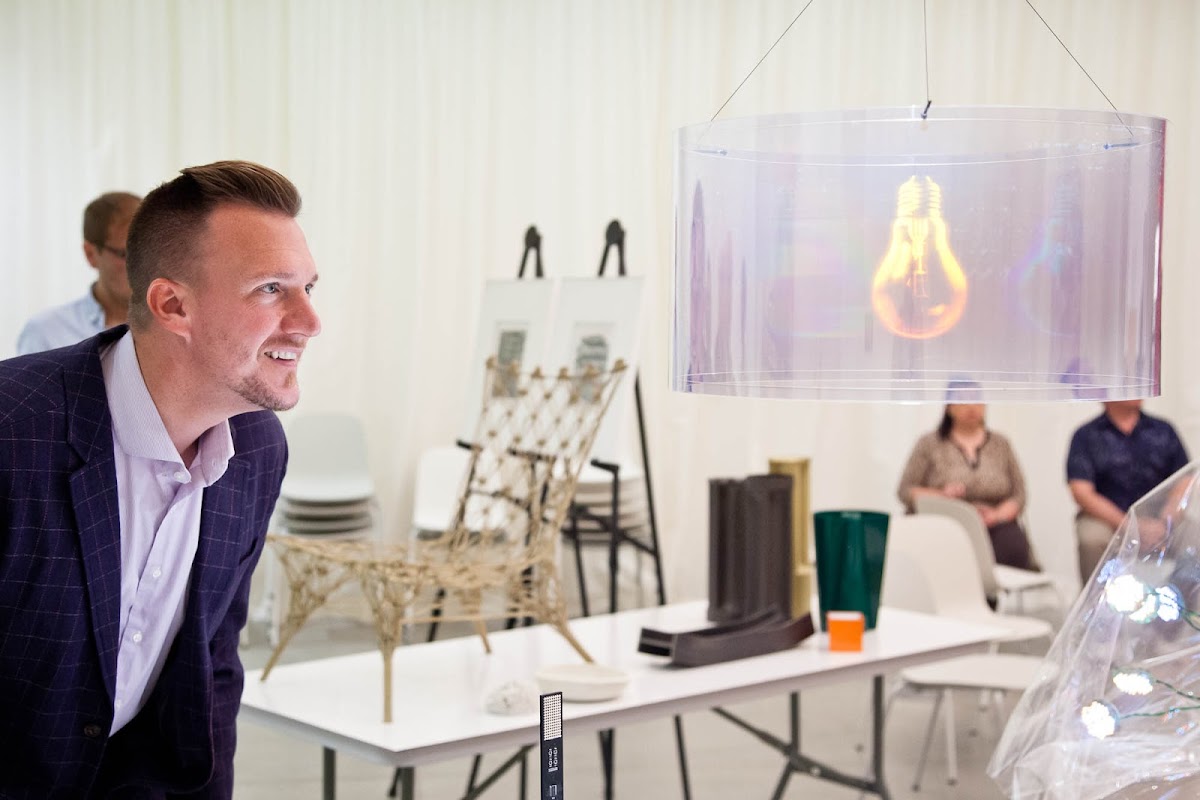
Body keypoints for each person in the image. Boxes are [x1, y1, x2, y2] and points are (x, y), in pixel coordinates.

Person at [0, 160, 321, 797]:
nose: (309, 320)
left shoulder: (257, 446)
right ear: (172, 305)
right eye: (270, 289)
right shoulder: (13, 429)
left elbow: (212, 667)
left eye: (310, 287)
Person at [897, 400, 1036, 570]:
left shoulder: (1001, 443)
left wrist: (997, 515)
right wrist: (942, 495)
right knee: (949, 554)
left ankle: (991, 594)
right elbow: (905, 490)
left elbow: (1019, 494)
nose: (971, 407)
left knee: (1013, 547)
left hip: (994, 525)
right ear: (949, 407)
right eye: (963, 401)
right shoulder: (929, 443)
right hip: (946, 523)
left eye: (977, 400)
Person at [1067, 399, 1189, 582]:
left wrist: (1167, 521)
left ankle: (1184, 604)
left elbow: (1184, 479)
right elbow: (1082, 492)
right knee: (1091, 539)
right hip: (1110, 520)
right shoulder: (1086, 436)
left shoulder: (1164, 430)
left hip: (1161, 516)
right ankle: (1096, 605)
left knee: (1194, 535)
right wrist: (1129, 526)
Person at [17, 191, 142, 354]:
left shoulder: (176, 327)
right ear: (91, 254)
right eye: (125, 254)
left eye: (148, 252)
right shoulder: (46, 334)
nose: (142, 264)